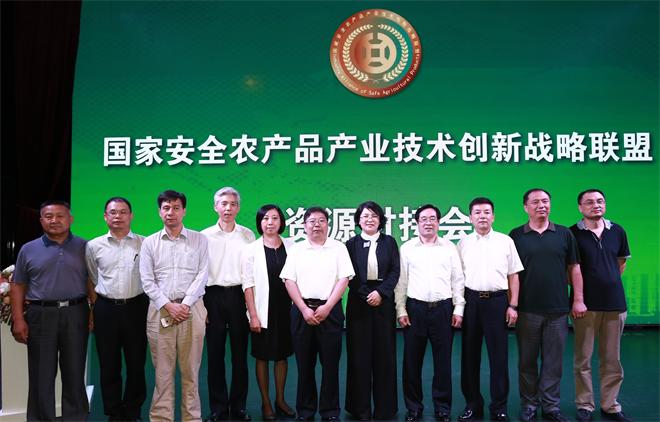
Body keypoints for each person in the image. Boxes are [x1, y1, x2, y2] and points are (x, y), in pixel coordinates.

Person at [509, 188, 587, 422]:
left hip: (557, 311)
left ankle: (551, 407)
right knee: (527, 362)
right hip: (527, 310)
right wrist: (512, 305)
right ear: (526, 207)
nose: (541, 205)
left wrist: (578, 299)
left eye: (545, 201)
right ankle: (529, 405)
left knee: (553, 362)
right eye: (535, 202)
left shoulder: (564, 234)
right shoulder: (516, 236)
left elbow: (574, 268)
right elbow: (511, 274)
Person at [11, 200, 90, 421]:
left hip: (76, 313)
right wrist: (18, 319)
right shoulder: (28, 249)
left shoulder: (85, 247)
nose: (54, 220)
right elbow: (18, 285)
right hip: (40, 315)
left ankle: (76, 418)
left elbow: (91, 281)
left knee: (75, 371)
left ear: (70, 219)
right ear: (41, 220)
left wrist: (93, 311)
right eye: (48, 216)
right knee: (41, 374)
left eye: (60, 216)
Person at [140, 190, 209, 422]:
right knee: (162, 373)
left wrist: (185, 304)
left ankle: (192, 418)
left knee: (191, 372)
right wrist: (169, 305)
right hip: (160, 311)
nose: (171, 212)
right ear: (160, 212)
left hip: (192, 310)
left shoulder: (200, 240)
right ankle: (162, 418)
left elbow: (202, 275)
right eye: (166, 208)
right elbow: (147, 280)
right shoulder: (149, 242)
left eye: (176, 208)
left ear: (184, 211)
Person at [281, 206, 355, 421]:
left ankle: (330, 411)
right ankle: (305, 411)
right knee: (304, 365)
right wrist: (304, 308)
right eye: (312, 221)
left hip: (330, 311)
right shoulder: (297, 249)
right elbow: (289, 280)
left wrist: (328, 307)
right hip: (301, 311)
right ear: (304, 226)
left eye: (321, 221)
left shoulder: (338, 248)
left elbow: (344, 279)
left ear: (328, 224)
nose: (316, 225)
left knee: (330, 365)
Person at [394, 204, 465, 422]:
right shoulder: (407, 248)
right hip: (415, 309)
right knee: (411, 362)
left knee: (443, 362)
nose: (428, 222)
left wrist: (459, 308)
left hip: (443, 309)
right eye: (423, 219)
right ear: (416, 223)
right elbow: (401, 282)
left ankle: (442, 408)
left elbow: (457, 279)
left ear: (439, 222)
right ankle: (413, 408)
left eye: (432, 218)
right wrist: (401, 309)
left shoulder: (449, 247)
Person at [456, 197, 523, 422]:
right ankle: (472, 405)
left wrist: (513, 305)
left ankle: (499, 407)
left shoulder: (506, 241)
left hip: (497, 302)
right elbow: (457, 278)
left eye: (486, 212)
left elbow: (513, 275)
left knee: (499, 357)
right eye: (477, 212)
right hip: (471, 302)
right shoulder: (463, 243)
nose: (482, 216)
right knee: (469, 357)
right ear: (470, 217)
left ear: (493, 216)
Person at [570, 190, 632, 422]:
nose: (595, 205)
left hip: (615, 304)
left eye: (599, 201)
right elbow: (571, 269)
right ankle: (584, 405)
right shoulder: (572, 233)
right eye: (589, 202)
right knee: (583, 359)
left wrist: (607, 281)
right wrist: (579, 298)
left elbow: (620, 263)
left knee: (612, 359)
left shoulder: (617, 231)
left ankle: (610, 405)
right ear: (580, 207)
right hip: (585, 306)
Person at [86, 197, 148, 421]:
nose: (118, 216)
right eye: (113, 212)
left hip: (136, 307)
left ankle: (133, 410)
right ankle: (113, 410)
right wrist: (95, 307)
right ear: (105, 216)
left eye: (123, 212)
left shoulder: (144, 243)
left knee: (136, 362)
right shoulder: (93, 246)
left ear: (131, 216)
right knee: (108, 362)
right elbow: (92, 277)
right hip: (106, 309)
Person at [201, 186, 256, 422]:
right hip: (212, 296)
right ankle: (218, 408)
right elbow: (200, 273)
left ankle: (239, 407)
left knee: (239, 356)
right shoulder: (204, 236)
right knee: (214, 355)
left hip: (238, 296)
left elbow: (251, 272)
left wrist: (251, 307)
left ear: (238, 208)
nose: (228, 208)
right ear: (215, 207)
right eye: (223, 204)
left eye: (233, 204)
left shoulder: (247, 235)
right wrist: (201, 305)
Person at [344, 201, 400, 421]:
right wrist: (367, 294)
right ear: (358, 220)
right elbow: (348, 275)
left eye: (374, 216)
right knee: (359, 356)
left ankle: (385, 409)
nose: (369, 219)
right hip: (359, 303)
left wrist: (381, 293)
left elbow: (395, 271)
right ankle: (360, 409)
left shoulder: (390, 242)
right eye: (365, 216)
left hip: (384, 303)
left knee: (385, 356)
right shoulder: (350, 244)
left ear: (380, 220)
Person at [242, 205, 296, 421]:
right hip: (262, 310)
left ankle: (280, 400)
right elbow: (248, 284)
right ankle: (265, 402)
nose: (270, 222)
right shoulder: (251, 249)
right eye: (265, 218)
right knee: (262, 356)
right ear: (260, 222)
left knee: (282, 356)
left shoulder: (292, 246)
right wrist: (253, 315)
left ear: (281, 222)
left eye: (274, 218)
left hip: (286, 310)